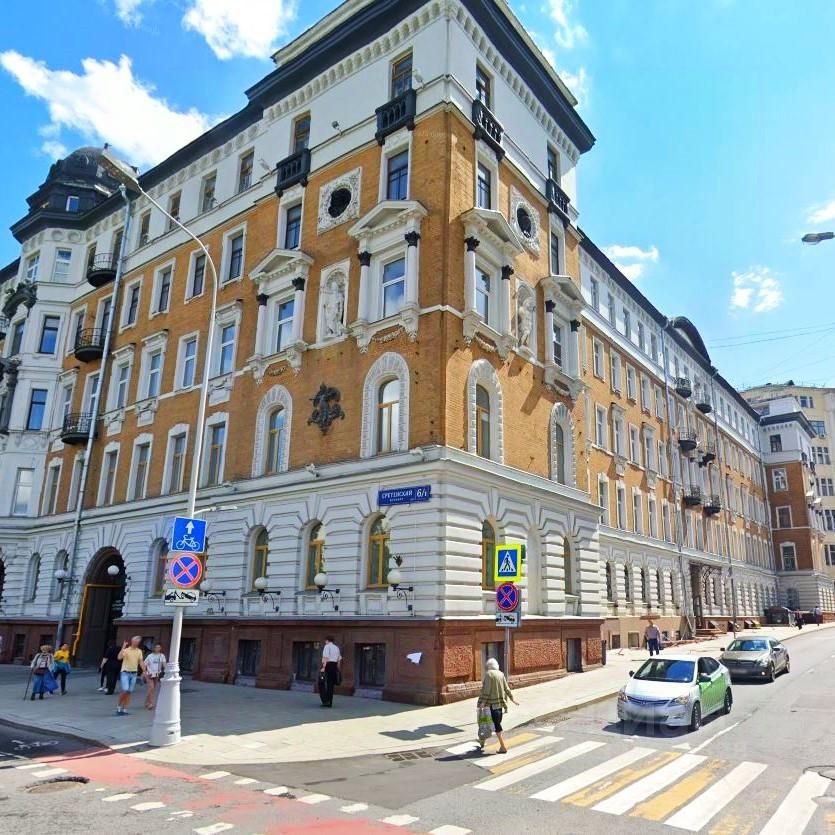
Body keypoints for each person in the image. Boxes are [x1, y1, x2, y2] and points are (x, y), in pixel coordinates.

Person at [477, 658, 517, 753]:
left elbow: (486, 690)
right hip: (499, 705)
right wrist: (512, 699)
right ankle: (482, 740)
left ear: (488, 666)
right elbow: (506, 688)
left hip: (490, 705)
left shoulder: (489, 674)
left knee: (486, 723)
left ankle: (502, 747)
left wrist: (482, 703)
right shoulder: (501, 674)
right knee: (491, 724)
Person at [115, 636, 145, 715]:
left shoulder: (139, 651)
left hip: (134, 673)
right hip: (125, 673)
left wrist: (145, 671)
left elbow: (141, 662)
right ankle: (118, 706)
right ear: (132, 641)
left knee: (129, 692)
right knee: (125, 689)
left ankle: (124, 709)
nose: (136, 643)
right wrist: (123, 647)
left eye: (138, 642)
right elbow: (119, 657)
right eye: (135, 641)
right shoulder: (126, 650)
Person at [319, 636, 341, 708]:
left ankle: (325, 700)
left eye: (325, 641)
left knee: (322, 682)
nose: (325, 642)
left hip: (328, 665)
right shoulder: (336, 648)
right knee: (330, 685)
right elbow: (339, 659)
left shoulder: (327, 646)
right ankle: (329, 702)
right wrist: (337, 668)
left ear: (327, 640)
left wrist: (323, 667)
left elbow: (325, 657)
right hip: (334, 666)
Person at [143, 643, 166, 710]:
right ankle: (150, 703)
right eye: (156, 647)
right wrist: (144, 672)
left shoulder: (162, 656)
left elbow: (164, 664)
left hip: (157, 674)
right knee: (151, 687)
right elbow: (144, 664)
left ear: (160, 648)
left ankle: (146, 702)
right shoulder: (150, 656)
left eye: (159, 647)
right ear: (154, 648)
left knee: (152, 689)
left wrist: (166, 670)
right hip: (149, 674)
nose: (157, 649)